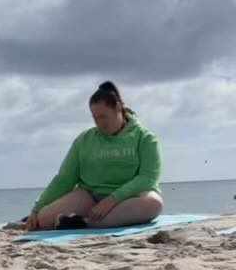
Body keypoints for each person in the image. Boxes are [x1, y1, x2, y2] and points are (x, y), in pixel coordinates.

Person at [24, 81, 164, 231]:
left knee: (154, 204)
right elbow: (64, 179)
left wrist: (112, 199)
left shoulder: (145, 138)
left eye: (103, 117)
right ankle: (83, 220)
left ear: (118, 107)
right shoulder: (85, 140)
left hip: (128, 199)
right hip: (90, 197)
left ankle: (85, 223)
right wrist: (37, 209)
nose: (100, 123)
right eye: (95, 118)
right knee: (44, 219)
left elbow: (147, 178)